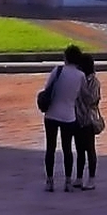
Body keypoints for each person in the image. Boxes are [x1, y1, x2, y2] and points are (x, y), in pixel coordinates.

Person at [37, 45, 87, 192]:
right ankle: (68, 182)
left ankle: (50, 181)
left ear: (66, 57)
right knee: (67, 149)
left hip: (52, 113)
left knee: (50, 148)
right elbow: (82, 95)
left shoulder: (57, 70)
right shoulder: (81, 76)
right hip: (69, 115)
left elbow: (47, 88)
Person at [73, 52, 104, 191]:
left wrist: (81, 88)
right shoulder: (78, 79)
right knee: (79, 149)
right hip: (77, 117)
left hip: (89, 119)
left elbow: (92, 99)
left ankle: (91, 178)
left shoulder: (94, 82)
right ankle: (79, 177)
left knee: (90, 149)